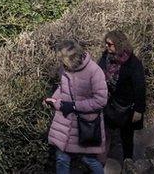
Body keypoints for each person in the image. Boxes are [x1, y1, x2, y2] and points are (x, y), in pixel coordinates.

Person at [46, 39, 108, 174]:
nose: (61, 64)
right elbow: (62, 88)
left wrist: (74, 106)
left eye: (63, 60)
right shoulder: (64, 68)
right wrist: (54, 99)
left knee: (88, 159)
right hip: (65, 122)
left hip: (85, 124)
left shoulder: (94, 71)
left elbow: (101, 100)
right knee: (62, 158)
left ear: (71, 58)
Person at [99, 30, 146, 163]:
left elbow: (140, 87)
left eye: (110, 44)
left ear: (119, 45)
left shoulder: (132, 63)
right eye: (106, 44)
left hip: (126, 107)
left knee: (126, 136)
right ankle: (101, 160)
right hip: (110, 103)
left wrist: (139, 110)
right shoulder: (106, 57)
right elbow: (98, 72)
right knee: (105, 132)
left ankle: (127, 162)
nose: (106, 47)